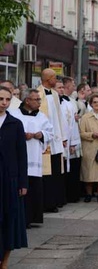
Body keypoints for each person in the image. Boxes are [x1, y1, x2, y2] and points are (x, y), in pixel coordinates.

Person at [10, 89, 53, 228]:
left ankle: (32, 217)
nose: (39, 102)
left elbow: (50, 132)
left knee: (33, 187)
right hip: (18, 158)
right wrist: (22, 135)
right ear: (27, 100)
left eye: (39, 99)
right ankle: (19, 218)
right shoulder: (14, 115)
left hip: (35, 157)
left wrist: (41, 134)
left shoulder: (42, 116)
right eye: (36, 99)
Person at [0, 86, 28, 268]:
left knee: (9, 220)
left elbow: (21, 154)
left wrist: (23, 182)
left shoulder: (15, 124)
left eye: (7, 99)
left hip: (9, 179)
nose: (3, 102)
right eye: (1, 98)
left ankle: (5, 262)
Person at [36, 69, 67, 213]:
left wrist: (63, 137)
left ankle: (54, 201)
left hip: (56, 139)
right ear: (48, 79)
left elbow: (59, 117)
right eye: (55, 77)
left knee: (55, 172)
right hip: (44, 139)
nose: (56, 80)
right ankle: (44, 203)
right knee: (45, 173)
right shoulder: (37, 94)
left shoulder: (55, 94)